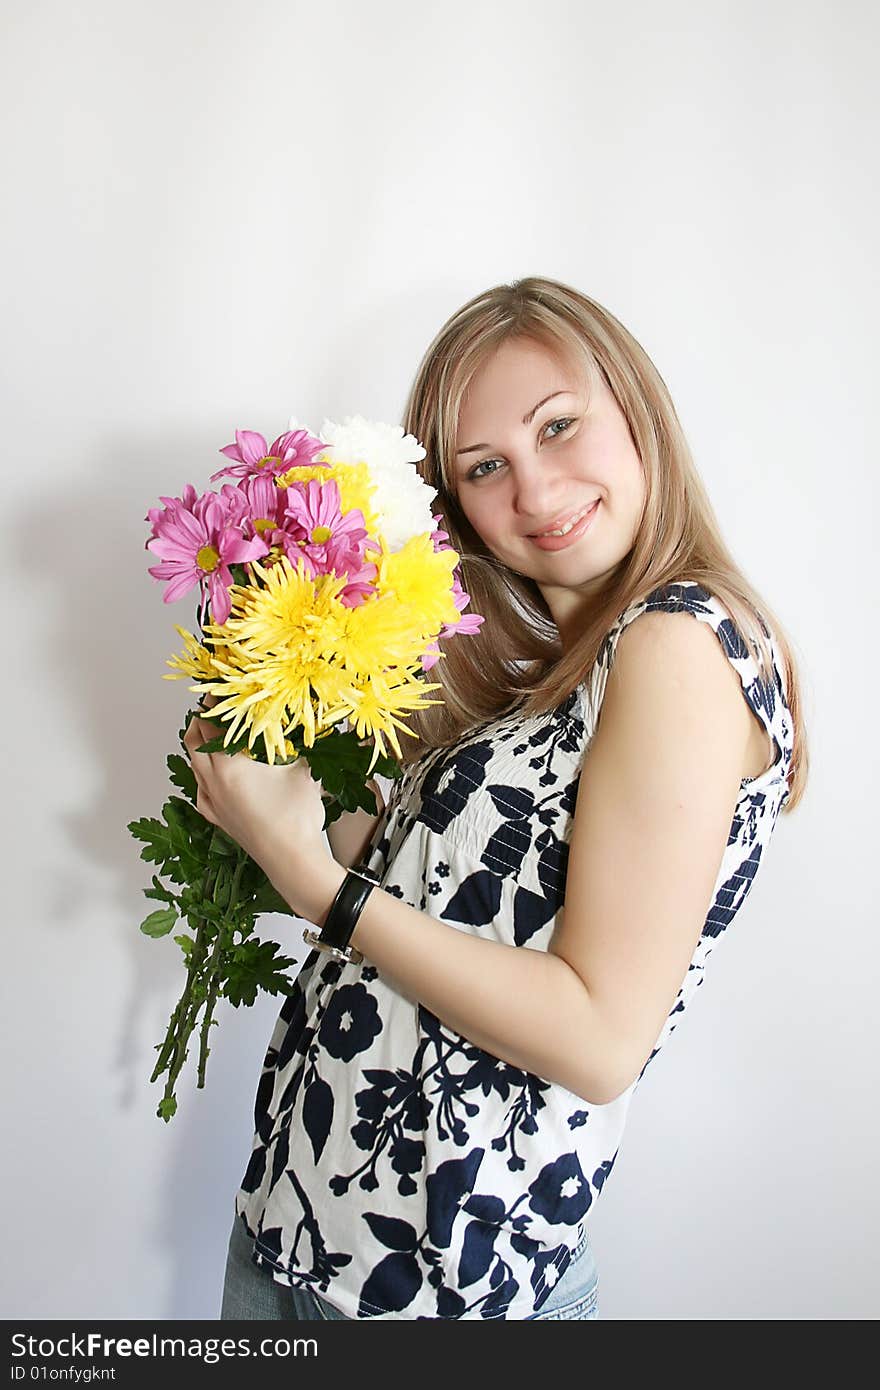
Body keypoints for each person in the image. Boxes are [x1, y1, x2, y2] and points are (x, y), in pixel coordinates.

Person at [186, 277, 807, 1321]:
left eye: (559, 426)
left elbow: (599, 1037)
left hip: (437, 1289)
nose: (535, 489)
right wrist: (284, 755)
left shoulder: (674, 644)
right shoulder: (560, 668)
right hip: (301, 1229)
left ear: (635, 409)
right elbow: (446, 913)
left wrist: (310, 879)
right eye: (486, 466)